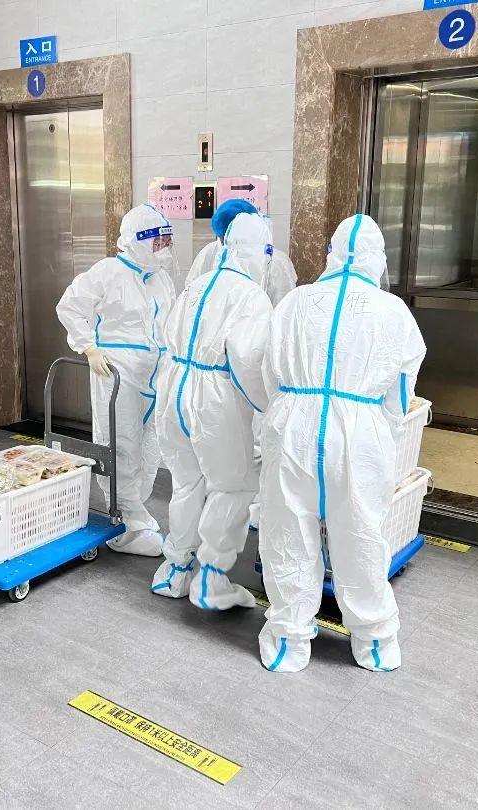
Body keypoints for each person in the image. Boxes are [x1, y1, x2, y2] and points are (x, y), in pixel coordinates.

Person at [258, 214, 426, 673]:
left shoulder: (295, 301)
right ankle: (375, 642)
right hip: (360, 432)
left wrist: (291, 409)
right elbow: (400, 391)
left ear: (331, 254)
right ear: (378, 258)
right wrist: (379, 425)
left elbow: (270, 371)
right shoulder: (392, 311)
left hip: (294, 424)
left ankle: (288, 641)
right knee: (361, 536)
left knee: (287, 532)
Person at [150, 213, 274, 609]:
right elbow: (247, 360)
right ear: (257, 253)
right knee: (234, 485)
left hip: (174, 386)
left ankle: (175, 569)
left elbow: (168, 333)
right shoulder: (251, 296)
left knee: (187, 482)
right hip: (213, 396)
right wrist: (270, 405)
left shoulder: (198, 283)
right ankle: (212, 579)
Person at [56, 204, 178, 556]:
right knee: (121, 444)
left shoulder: (160, 278)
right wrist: (89, 347)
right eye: (157, 242)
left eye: (166, 241)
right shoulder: (109, 271)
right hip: (117, 370)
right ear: (138, 240)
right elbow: (69, 307)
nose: (164, 248)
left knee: (150, 444)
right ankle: (123, 520)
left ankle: (135, 510)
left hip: (155, 372)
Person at [188, 200, 298, 531]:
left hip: (258, 359)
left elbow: (284, 314)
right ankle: (224, 507)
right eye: (222, 237)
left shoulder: (275, 262)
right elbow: (194, 301)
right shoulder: (209, 254)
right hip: (218, 370)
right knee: (222, 445)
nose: (225, 244)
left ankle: (256, 507)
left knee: (258, 439)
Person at [187, 199, 297, 305]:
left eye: (227, 236)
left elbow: (285, 305)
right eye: (221, 238)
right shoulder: (210, 252)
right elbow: (192, 291)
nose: (224, 243)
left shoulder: (277, 261)